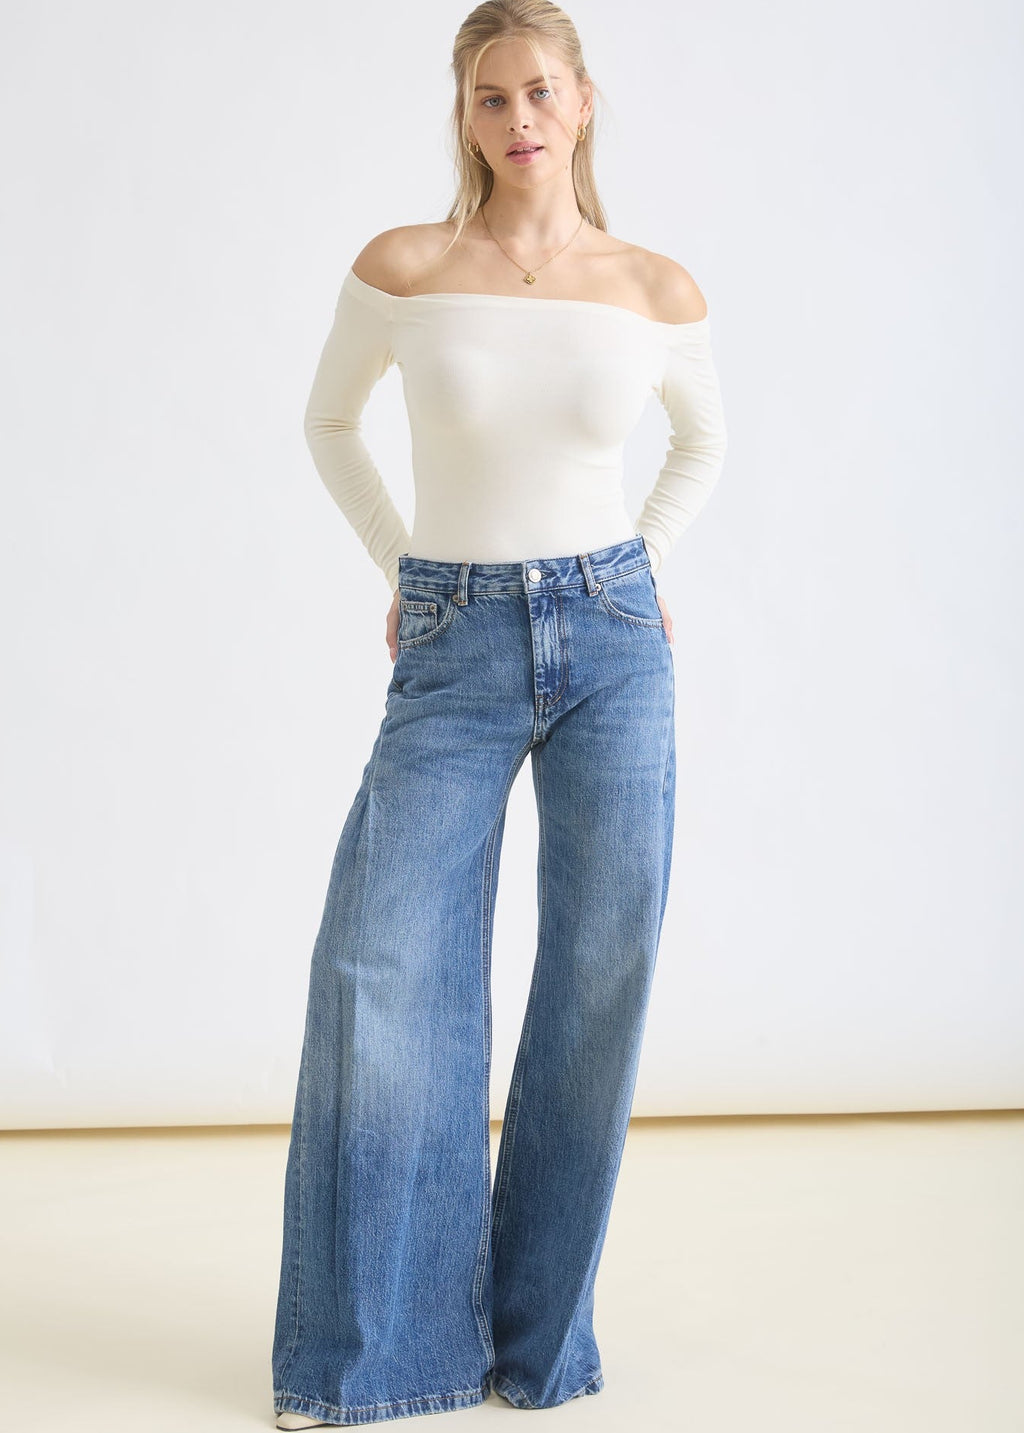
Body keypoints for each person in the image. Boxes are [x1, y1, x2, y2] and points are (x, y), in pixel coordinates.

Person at [272, 2, 727, 1427]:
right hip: (455, 637)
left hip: (610, 642)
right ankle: (377, 1358)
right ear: (463, 116)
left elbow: (704, 438)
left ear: (584, 102)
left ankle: (538, 1348)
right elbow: (330, 421)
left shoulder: (653, 286)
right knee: (382, 970)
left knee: (600, 976)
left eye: (539, 90)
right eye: (487, 98)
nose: (516, 118)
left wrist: (641, 562)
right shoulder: (405, 268)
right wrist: (402, 564)